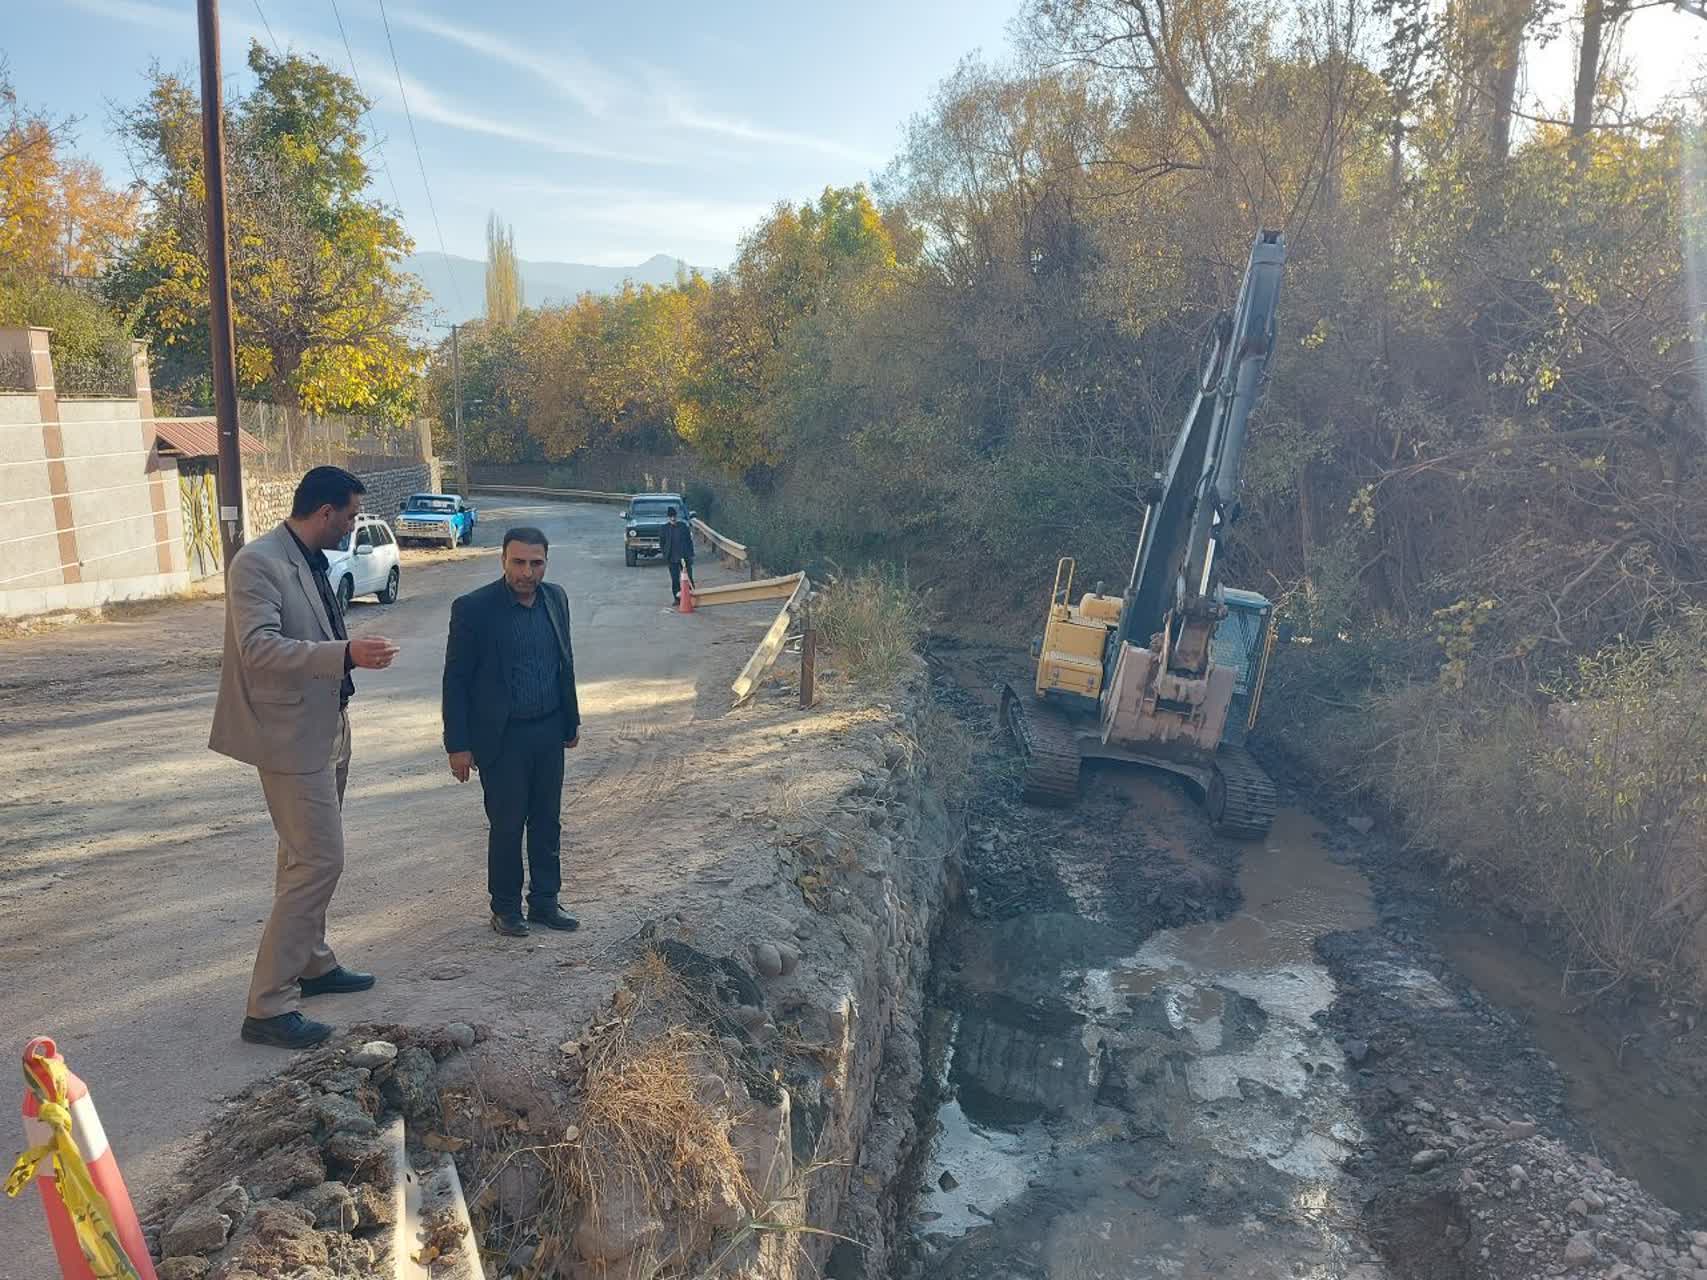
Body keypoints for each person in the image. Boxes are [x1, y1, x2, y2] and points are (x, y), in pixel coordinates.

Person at [210, 465, 399, 1049]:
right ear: (324, 512)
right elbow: (258, 649)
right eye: (350, 515)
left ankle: (312, 963)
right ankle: (268, 1006)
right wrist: (345, 654)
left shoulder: (309, 557)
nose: (352, 525)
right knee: (319, 861)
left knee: (300, 857)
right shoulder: (258, 563)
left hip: (327, 727)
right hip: (289, 737)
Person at [441, 527, 583, 937]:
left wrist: (570, 720)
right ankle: (505, 908)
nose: (527, 572)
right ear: (503, 560)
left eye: (536, 563)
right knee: (507, 825)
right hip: (502, 738)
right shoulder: (474, 609)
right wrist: (458, 745)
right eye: (518, 562)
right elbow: (456, 680)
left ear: (546, 563)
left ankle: (545, 901)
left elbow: (564, 662)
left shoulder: (556, 599)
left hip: (549, 730)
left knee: (547, 821)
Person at [661, 506, 695, 604]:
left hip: (685, 557)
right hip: (672, 558)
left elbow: (689, 541)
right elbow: (662, 543)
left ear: (676, 516)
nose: (673, 518)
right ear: (668, 517)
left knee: (688, 578)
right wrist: (665, 554)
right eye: (671, 517)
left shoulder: (683, 526)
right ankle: (677, 599)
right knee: (675, 580)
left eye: (674, 516)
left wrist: (691, 554)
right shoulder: (664, 528)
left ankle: (691, 597)